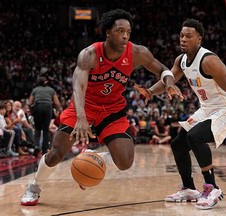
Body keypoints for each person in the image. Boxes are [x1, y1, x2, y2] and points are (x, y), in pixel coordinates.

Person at [20, 8, 183, 206]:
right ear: (107, 32)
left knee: (125, 161)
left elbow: (162, 69)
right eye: (119, 31)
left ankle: (91, 157)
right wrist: (81, 117)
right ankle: (34, 187)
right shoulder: (89, 54)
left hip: (112, 110)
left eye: (128, 32)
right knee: (56, 153)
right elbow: (78, 87)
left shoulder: (137, 53)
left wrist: (169, 82)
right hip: (84, 107)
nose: (125, 36)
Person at [134, 18, 226, 210]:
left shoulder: (209, 60)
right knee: (178, 144)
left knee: (195, 136)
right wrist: (149, 91)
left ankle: (212, 187)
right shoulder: (181, 60)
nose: (183, 39)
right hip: (207, 109)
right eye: (182, 35)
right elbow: (169, 80)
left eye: (189, 36)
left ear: (199, 39)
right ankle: (189, 189)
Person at [29, 76, 62, 154]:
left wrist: (32, 111)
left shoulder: (35, 90)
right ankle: (44, 149)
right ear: (46, 82)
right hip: (48, 107)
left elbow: (30, 102)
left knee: (37, 128)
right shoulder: (51, 90)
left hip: (38, 106)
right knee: (45, 129)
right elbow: (57, 103)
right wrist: (58, 111)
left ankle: (36, 146)